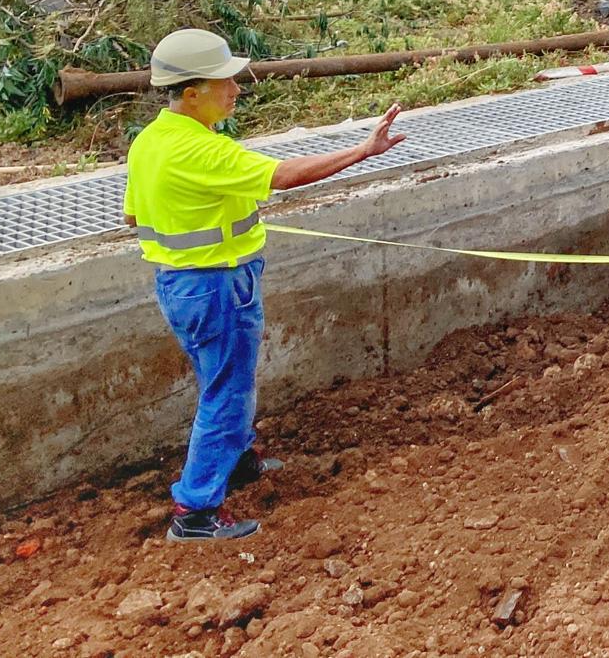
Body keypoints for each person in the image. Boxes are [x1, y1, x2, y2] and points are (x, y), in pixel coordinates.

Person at [123, 28, 407, 540]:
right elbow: (286, 174)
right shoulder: (197, 150)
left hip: (182, 284)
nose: (236, 90)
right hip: (216, 287)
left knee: (224, 383)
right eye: (226, 82)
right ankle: (196, 512)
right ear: (192, 93)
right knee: (226, 393)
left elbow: (132, 217)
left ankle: (235, 462)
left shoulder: (151, 141)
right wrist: (363, 151)